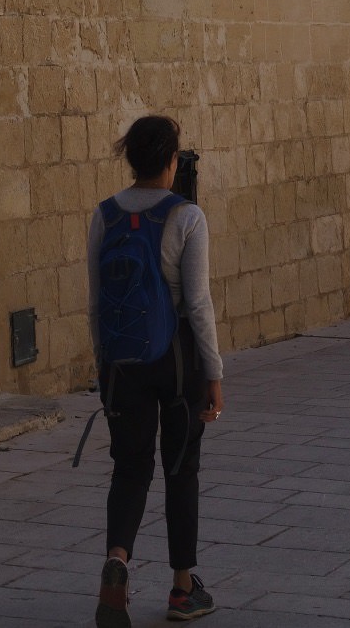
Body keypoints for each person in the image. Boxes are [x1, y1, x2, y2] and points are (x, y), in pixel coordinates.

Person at [90, 115, 223, 627]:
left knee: (129, 468)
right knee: (180, 468)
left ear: (130, 160)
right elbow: (198, 303)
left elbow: (95, 303)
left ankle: (117, 561)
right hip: (177, 361)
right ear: (171, 161)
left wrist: (105, 368)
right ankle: (183, 590)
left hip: (122, 363)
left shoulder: (104, 216)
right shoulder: (187, 217)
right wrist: (214, 373)